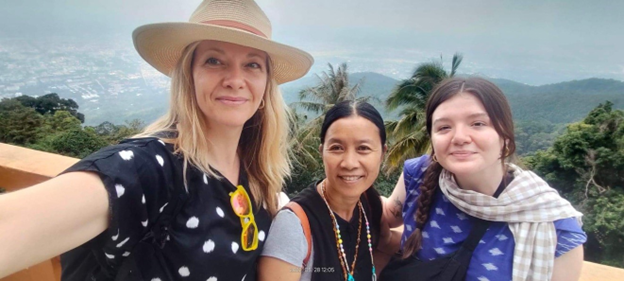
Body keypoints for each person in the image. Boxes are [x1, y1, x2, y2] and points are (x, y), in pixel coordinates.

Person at [0, 0, 313, 280]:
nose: (235, 79)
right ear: (188, 76)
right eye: (214, 61)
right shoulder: (150, 168)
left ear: (265, 89)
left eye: (252, 64)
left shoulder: (256, 177)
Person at [381, 77, 586, 281]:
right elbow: (388, 214)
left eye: (478, 124)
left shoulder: (556, 229)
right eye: (444, 127)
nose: (459, 137)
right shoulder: (419, 174)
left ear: (505, 136)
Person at [258, 100, 395, 281]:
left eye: (363, 148)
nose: (349, 163)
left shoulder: (369, 204)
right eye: (337, 148)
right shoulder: (294, 225)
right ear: (322, 152)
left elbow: (388, 243)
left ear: (382, 154)